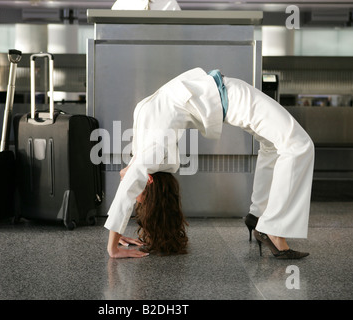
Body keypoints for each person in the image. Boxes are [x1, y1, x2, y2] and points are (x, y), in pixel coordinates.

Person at [105, 67, 314, 260]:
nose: (135, 200)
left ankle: (258, 215)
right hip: (234, 98)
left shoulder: (149, 152)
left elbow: (130, 178)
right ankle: (274, 230)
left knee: (273, 145)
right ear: (149, 180)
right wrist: (114, 244)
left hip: (231, 99)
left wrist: (114, 241)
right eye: (139, 200)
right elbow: (130, 182)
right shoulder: (154, 151)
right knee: (299, 144)